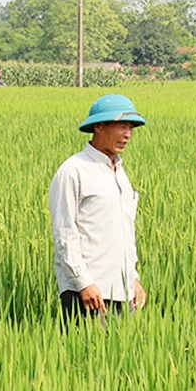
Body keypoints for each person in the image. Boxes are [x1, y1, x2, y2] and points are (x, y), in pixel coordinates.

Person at [49, 94, 147, 321]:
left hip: (124, 292)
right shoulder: (74, 170)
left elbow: (124, 233)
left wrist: (132, 278)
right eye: (122, 126)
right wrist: (83, 283)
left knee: (127, 345)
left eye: (131, 127)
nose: (128, 134)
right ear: (99, 126)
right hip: (89, 293)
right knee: (87, 345)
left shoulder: (119, 172)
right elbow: (65, 233)